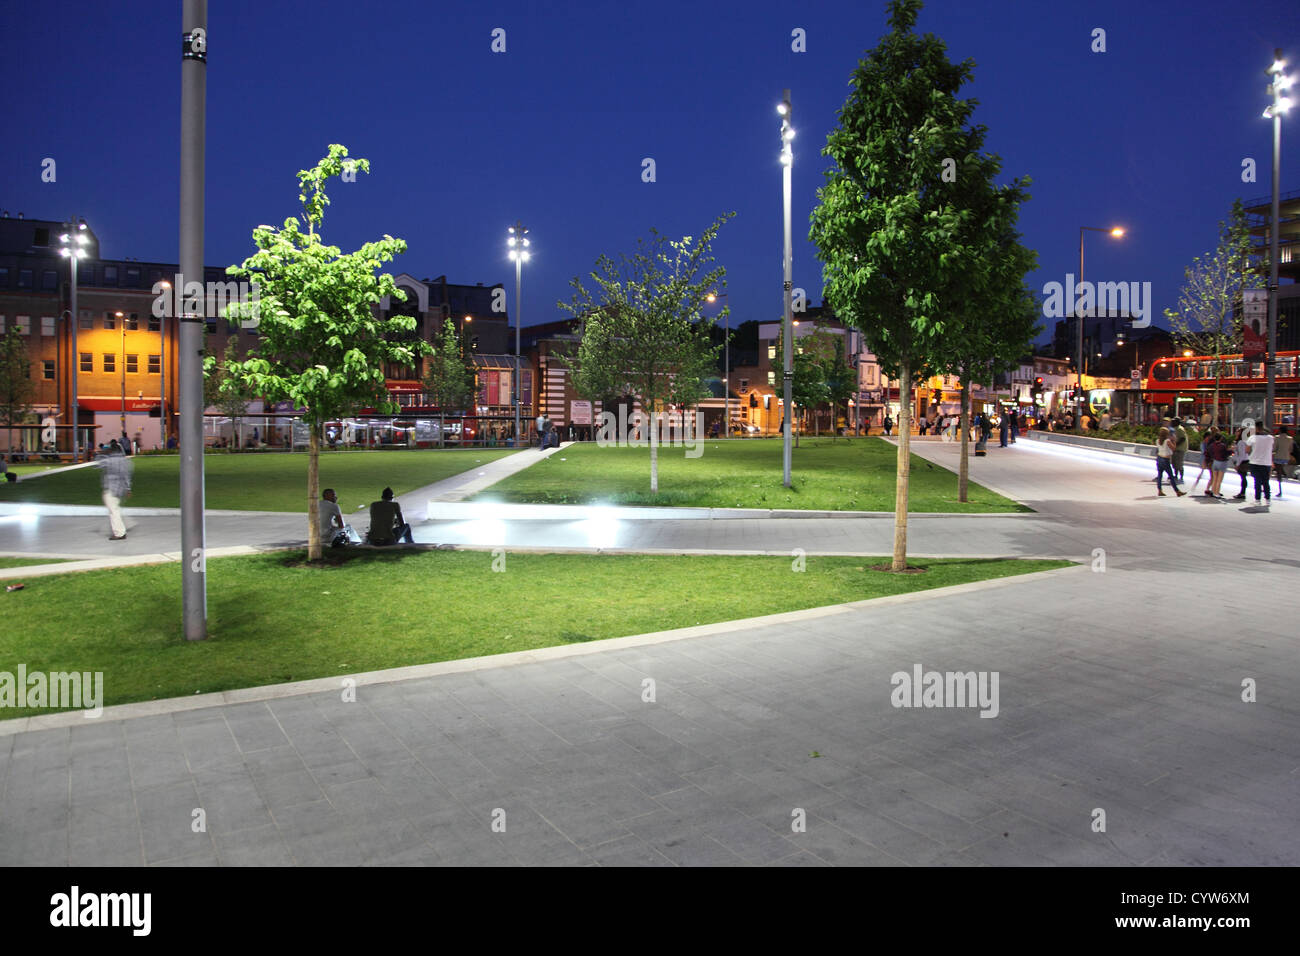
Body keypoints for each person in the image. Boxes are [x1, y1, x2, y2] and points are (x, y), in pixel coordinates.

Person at [99, 439, 134, 539]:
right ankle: (120, 530)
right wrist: (128, 489)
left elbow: (98, 464)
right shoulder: (126, 462)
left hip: (110, 488)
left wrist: (103, 452)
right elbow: (127, 476)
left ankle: (120, 532)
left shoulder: (108, 460)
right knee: (115, 509)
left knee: (113, 511)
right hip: (120, 489)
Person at [1244, 424, 1275, 506]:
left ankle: (1257, 500)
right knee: (1266, 482)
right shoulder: (1270, 438)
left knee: (1257, 481)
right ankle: (1268, 499)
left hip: (1255, 462)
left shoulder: (1252, 438)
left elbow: (1247, 450)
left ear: (1257, 429)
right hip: (1266, 463)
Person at [1154, 427, 1185, 498]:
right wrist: (1174, 440)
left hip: (1159, 458)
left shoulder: (1157, 440)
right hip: (1165, 460)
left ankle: (1160, 490)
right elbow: (1173, 448)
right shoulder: (1167, 441)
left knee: (1160, 475)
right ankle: (1177, 491)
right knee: (1171, 476)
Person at [1272, 426, 1293, 498]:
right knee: (1280, 471)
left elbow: (1274, 448)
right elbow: (1290, 449)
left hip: (1278, 457)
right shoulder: (1290, 439)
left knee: (1278, 473)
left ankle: (1280, 490)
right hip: (1286, 458)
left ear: (1280, 430)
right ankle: (1282, 473)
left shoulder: (1277, 437)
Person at [1231, 427, 1251, 500]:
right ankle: (1242, 492)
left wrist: (1237, 465)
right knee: (1243, 477)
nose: (1236, 432)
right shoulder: (1244, 441)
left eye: (1238, 431)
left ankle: (1242, 493)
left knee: (1243, 477)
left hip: (1242, 462)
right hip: (1244, 461)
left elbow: (1241, 455)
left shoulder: (1241, 442)